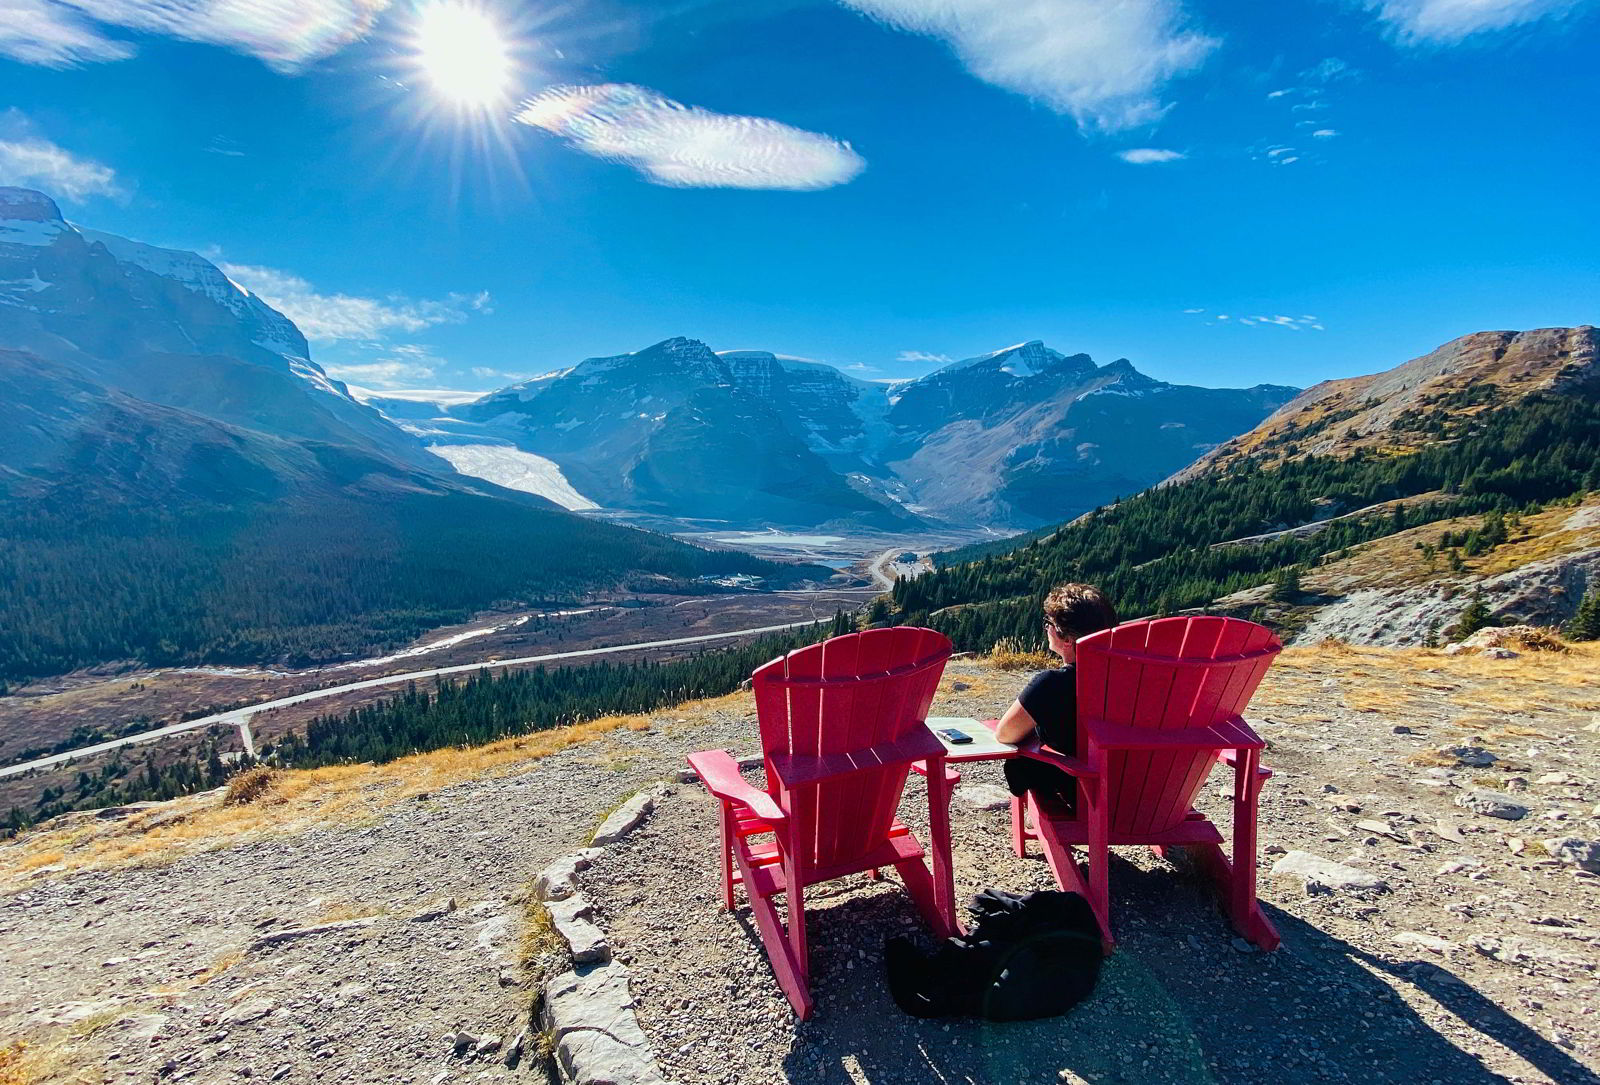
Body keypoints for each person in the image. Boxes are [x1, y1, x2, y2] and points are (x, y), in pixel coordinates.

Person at [994, 582, 1119, 809]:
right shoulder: (1137, 681)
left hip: (1085, 796)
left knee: (1020, 765)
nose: (1046, 629)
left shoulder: (1051, 684)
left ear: (1068, 640)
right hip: (1143, 796)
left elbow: (1005, 734)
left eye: (1049, 623)